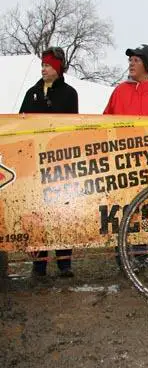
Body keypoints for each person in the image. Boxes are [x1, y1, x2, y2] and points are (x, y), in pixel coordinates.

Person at [19, 47, 79, 278]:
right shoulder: (32, 92)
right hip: (34, 162)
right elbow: (21, 123)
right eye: (42, 65)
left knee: (62, 210)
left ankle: (64, 262)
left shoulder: (69, 93)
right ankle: (39, 263)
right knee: (37, 213)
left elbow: (69, 126)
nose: (44, 69)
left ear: (58, 67)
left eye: (48, 65)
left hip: (59, 162)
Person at [104, 44, 148, 116]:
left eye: (136, 60)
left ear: (147, 64)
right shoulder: (119, 90)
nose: (131, 64)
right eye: (130, 60)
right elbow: (105, 121)